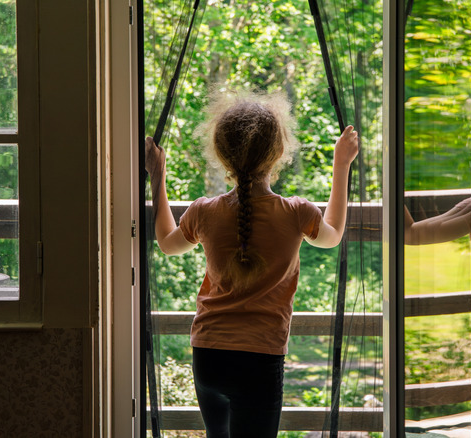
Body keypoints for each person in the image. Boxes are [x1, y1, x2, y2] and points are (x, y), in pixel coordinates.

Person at [145, 89, 358, 437]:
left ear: (221, 153)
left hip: (208, 353)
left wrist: (158, 175)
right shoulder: (296, 212)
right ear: (278, 153)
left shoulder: (204, 210)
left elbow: (168, 244)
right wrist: (341, 165)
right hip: (260, 357)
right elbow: (332, 235)